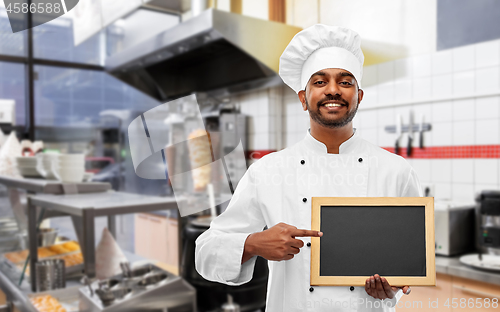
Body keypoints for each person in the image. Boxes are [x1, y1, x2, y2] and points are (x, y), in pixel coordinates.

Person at [195, 24, 422, 312]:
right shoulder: (268, 171)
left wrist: (391, 289)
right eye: (319, 81)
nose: (333, 90)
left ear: (359, 97)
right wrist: (253, 243)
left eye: (345, 81)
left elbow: (409, 258)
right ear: (303, 99)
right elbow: (205, 252)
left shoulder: (396, 171)